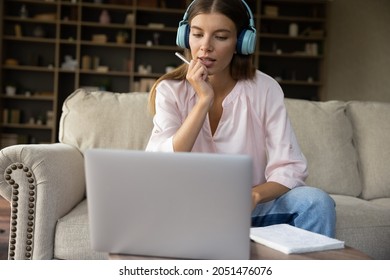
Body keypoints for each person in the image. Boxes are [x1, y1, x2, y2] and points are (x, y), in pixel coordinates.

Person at [145, 0, 336, 237]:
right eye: (197, 34)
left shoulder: (265, 88)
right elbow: (162, 163)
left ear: (242, 42)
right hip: (189, 208)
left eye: (221, 37)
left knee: (316, 202)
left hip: (250, 209)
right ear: (185, 37)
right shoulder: (170, 90)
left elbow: (290, 167)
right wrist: (203, 101)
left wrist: (254, 195)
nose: (205, 47)